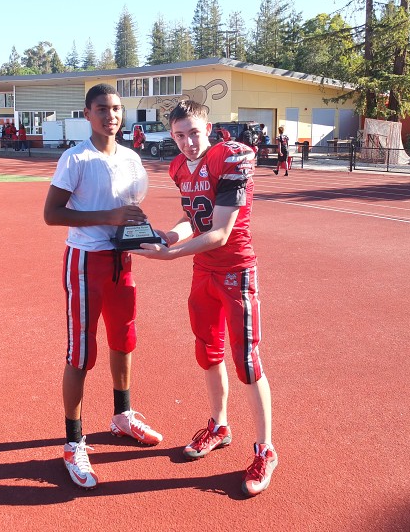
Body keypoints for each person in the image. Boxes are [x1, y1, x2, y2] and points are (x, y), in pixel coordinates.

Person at [135, 100, 277, 498]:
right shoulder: (179, 167)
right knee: (208, 352)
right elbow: (192, 218)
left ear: (209, 128)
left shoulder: (229, 158)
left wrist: (169, 255)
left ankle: (265, 449)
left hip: (235, 271)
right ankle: (219, 425)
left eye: (194, 133)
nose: (188, 142)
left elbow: (220, 233)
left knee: (247, 362)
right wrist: (171, 235)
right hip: (204, 272)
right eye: (179, 135)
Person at [43, 83, 163, 490]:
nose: (110, 115)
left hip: (121, 260)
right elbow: (52, 214)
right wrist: (108, 216)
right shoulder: (75, 158)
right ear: (87, 114)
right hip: (85, 262)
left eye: (115, 109)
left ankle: (122, 415)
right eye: (101, 109)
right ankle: (73, 442)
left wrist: (144, 231)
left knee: (124, 339)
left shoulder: (131, 158)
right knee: (81, 352)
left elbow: (132, 209)